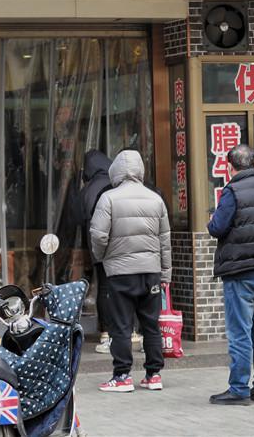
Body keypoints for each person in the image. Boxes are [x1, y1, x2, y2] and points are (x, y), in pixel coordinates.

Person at [90, 149, 172, 393]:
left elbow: (98, 235)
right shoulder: (155, 199)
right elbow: (165, 241)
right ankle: (154, 375)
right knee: (151, 325)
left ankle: (122, 376)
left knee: (121, 326)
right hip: (151, 273)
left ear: (115, 170)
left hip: (120, 273)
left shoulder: (108, 198)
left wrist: (102, 257)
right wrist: (165, 274)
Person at [206, 144, 254, 406]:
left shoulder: (233, 191)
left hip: (240, 272)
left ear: (230, 167)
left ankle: (239, 388)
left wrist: (211, 220)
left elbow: (218, 227)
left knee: (240, 332)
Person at [78, 150, 114, 354]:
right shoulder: (116, 183)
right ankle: (128, 330)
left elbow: (77, 216)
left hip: (97, 247)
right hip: (119, 247)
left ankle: (105, 332)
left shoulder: (87, 189)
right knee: (121, 287)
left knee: (103, 288)